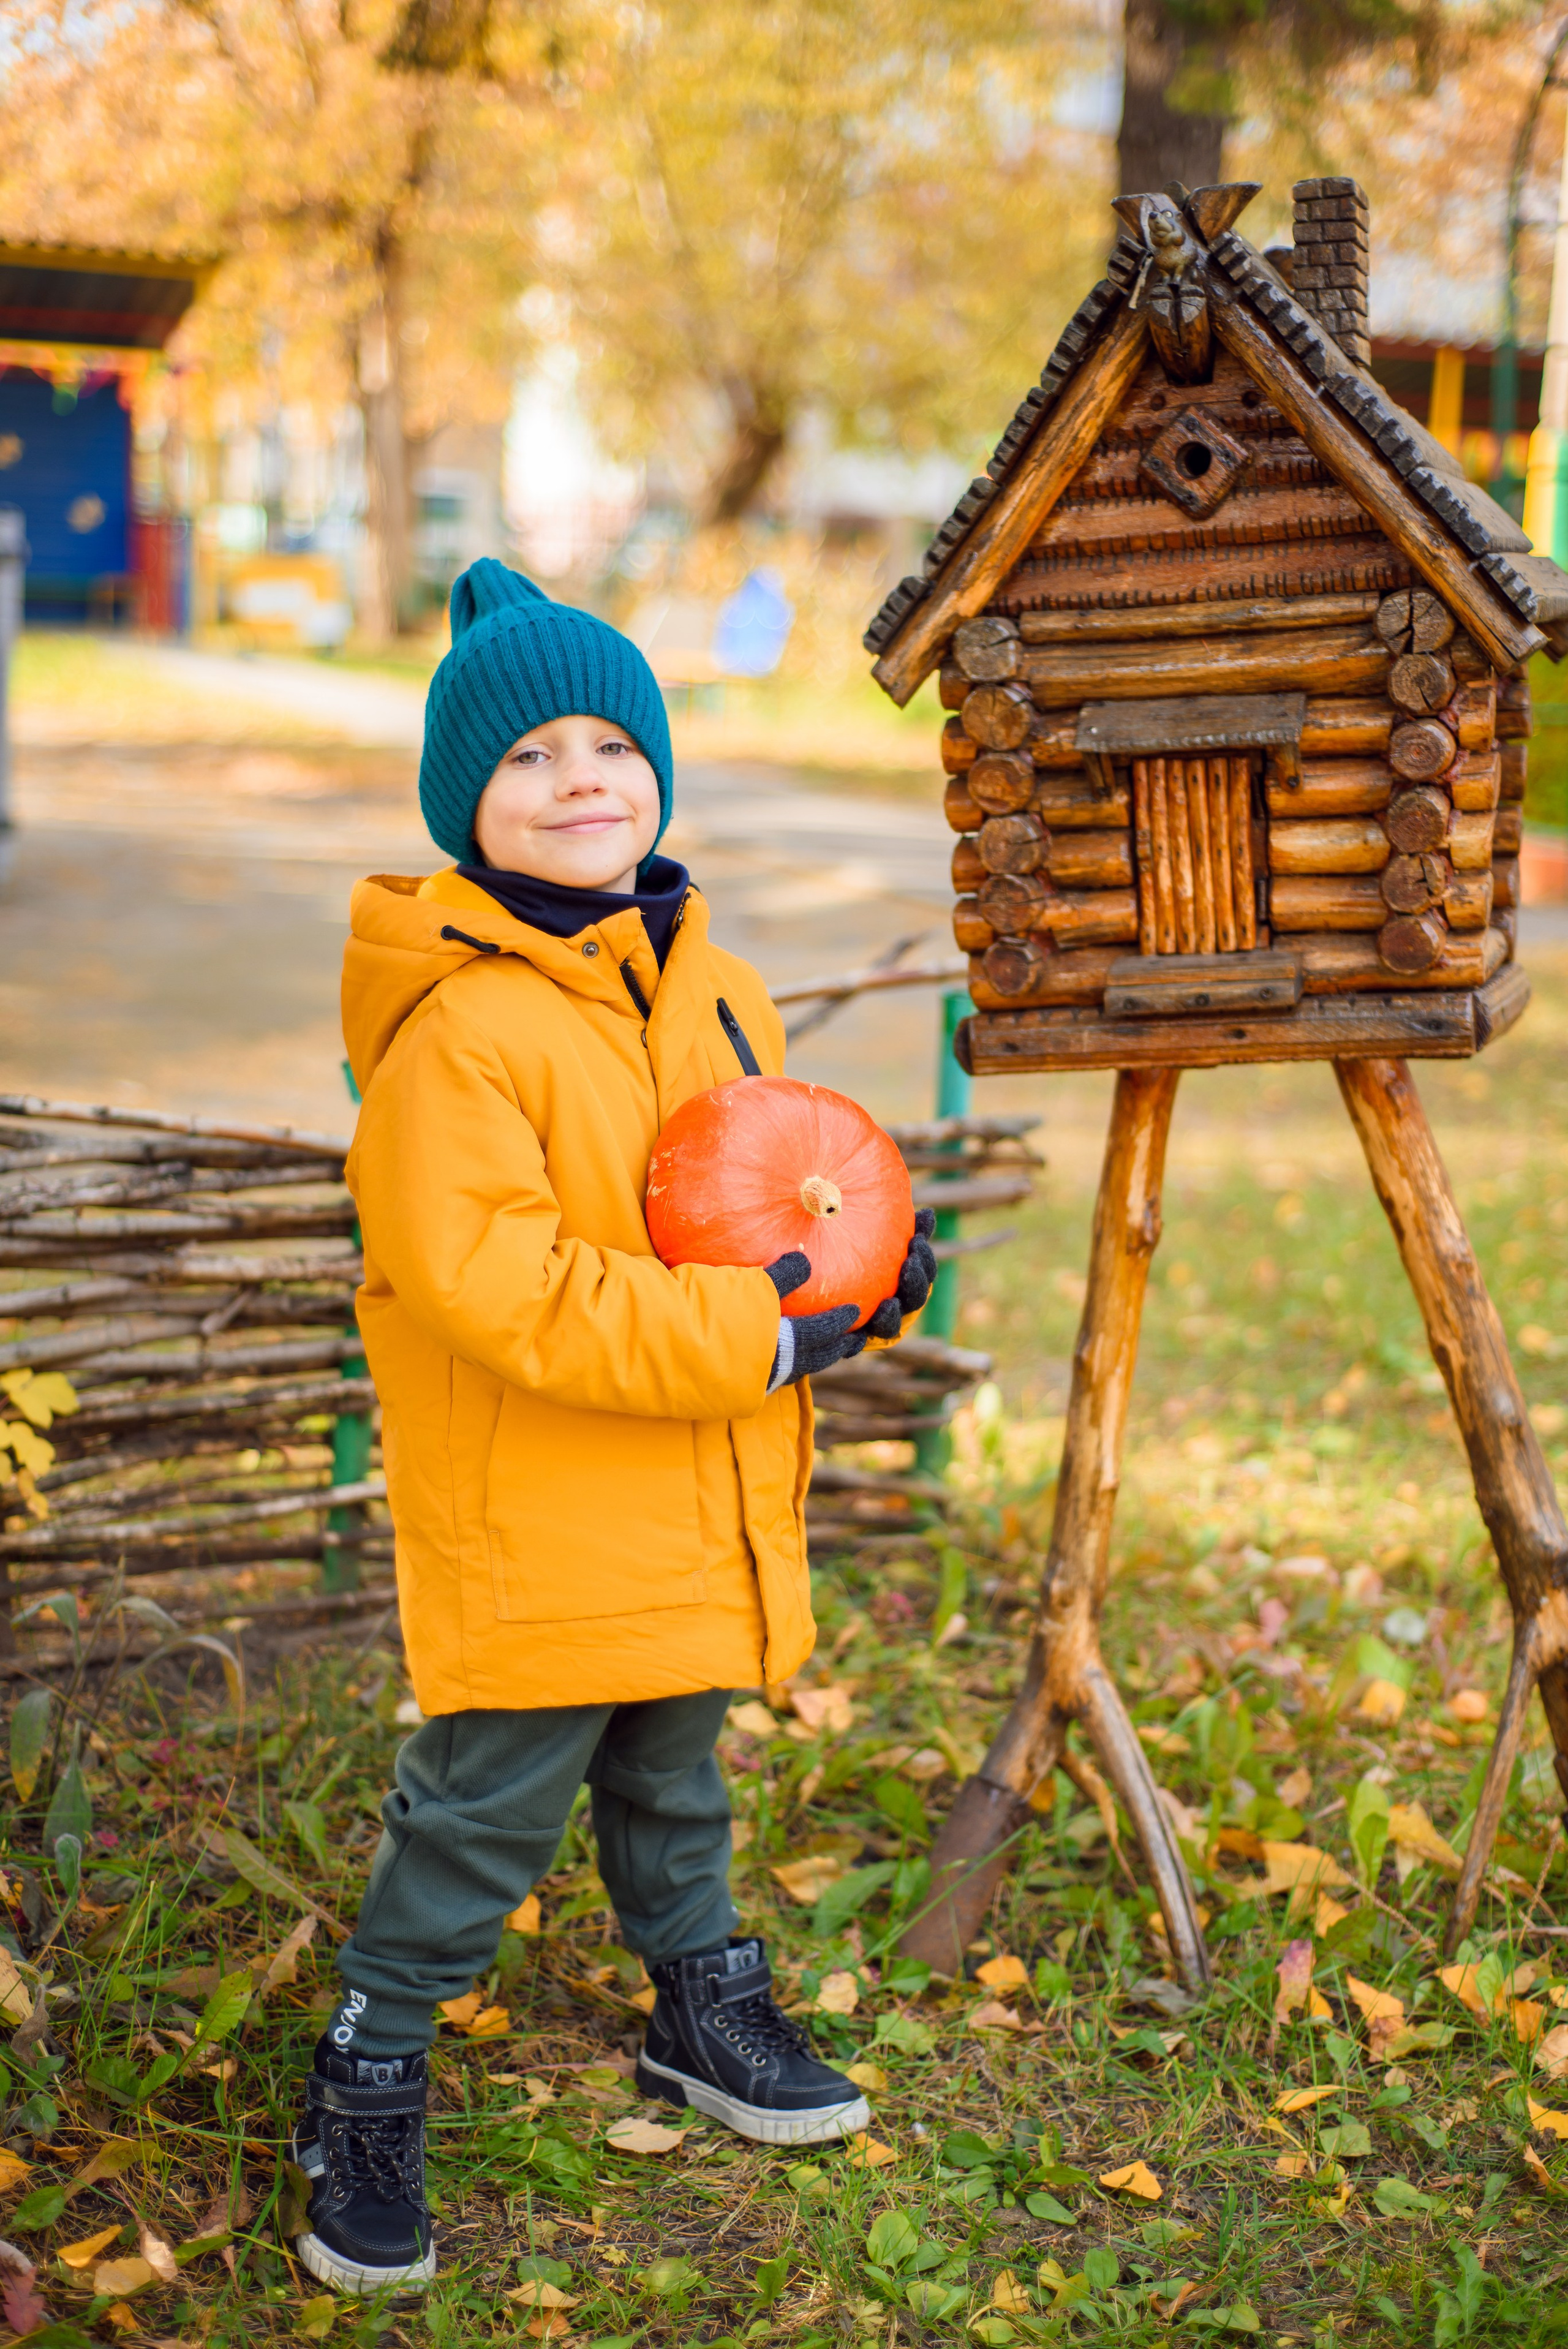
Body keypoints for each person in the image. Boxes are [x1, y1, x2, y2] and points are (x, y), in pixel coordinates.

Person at [290, 560, 937, 2298]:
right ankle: (370, 2061)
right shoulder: (458, 1031)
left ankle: (697, 2002)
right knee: (487, 1799)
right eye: (529, 757)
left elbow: (763, 1190)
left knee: (673, 1758)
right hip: (535, 1485)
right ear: (463, 807)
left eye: (609, 740)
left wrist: (865, 1262)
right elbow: (506, 1285)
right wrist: (764, 1329)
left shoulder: (717, 989)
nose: (581, 775)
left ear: (657, 765)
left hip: (685, 1469)